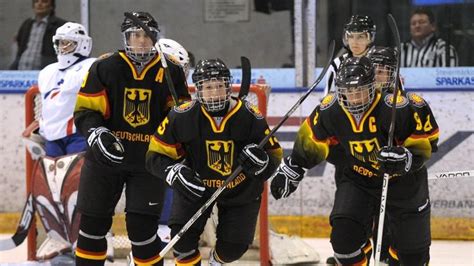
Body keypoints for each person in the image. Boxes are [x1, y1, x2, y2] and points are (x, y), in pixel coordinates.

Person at [270, 56, 439, 265]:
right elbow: (312, 139)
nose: (354, 97)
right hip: (360, 180)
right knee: (344, 240)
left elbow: (427, 142)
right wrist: (294, 168)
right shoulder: (330, 110)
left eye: (359, 90)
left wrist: (406, 158)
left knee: (413, 256)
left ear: (372, 86)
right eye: (348, 91)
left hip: (404, 184)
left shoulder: (398, 108)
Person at [73, 12, 190, 265]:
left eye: (146, 36)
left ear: (154, 38)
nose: (141, 41)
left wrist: (177, 152)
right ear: (126, 37)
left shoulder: (170, 70)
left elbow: (180, 118)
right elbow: (86, 110)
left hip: (147, 164)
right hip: (104, 162)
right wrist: (96, 132)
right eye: (135, 35)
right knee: (91, 227)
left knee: (142, 231)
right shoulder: (104, 67)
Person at [145, 58, 283, 265]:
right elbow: (154, 156)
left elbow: (274, 155)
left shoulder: (249, 116)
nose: (215, 92)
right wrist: (173, 172)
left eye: (220, 86)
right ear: (198, 89)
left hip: (240, 189)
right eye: (208, 87)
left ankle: (216, 262)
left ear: (228, 86)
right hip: (195, 186)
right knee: (181, 242)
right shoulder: (181, 116)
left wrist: (261, 163)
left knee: (233, 249)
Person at [38, 22, 94, 157]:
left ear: (82, 44)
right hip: (51, 136)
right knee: (52, 177)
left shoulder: (91, 67)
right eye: (60, 42)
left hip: (77, 134)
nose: (62, 47)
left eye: (68, 43)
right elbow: (45, 105)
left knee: (75, 176)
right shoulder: (47, 71)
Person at [324, 15, 376, 95]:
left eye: (360, 37)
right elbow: (328, 99)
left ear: (370, 38)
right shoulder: (337, 64)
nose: (354, 42)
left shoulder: (380, 63)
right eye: (351, 36)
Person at [10, 0, 67, 70]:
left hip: (44, 72)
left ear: (51, 6)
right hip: (21, 70)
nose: (39, 4)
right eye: (36, 1)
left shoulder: (60, 25)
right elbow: (20, 46)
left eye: (44, 1)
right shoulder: (27, 23)